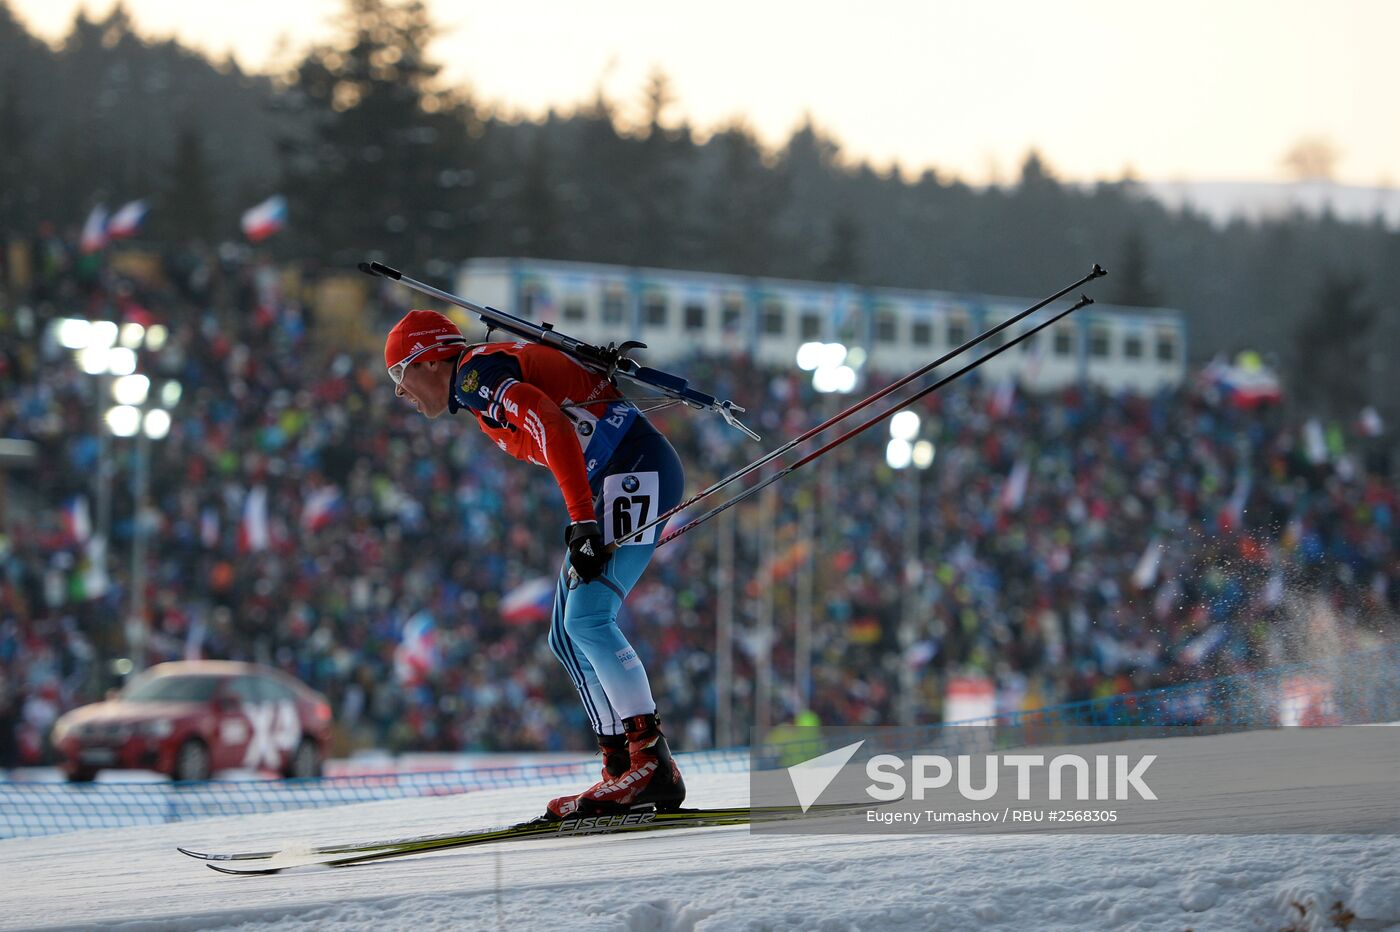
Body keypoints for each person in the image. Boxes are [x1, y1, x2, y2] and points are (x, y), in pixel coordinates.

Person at [384, 309, 687, 819]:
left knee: (587, 619)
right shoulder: (479, 379)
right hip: (616, 476)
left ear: (430, 360)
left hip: (634, 470)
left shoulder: (478, 377)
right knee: (565, 635)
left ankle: (651, 763)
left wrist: (583, 522)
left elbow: (549, 423)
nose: (399, 391)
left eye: (399, 374)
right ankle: (620, 766)